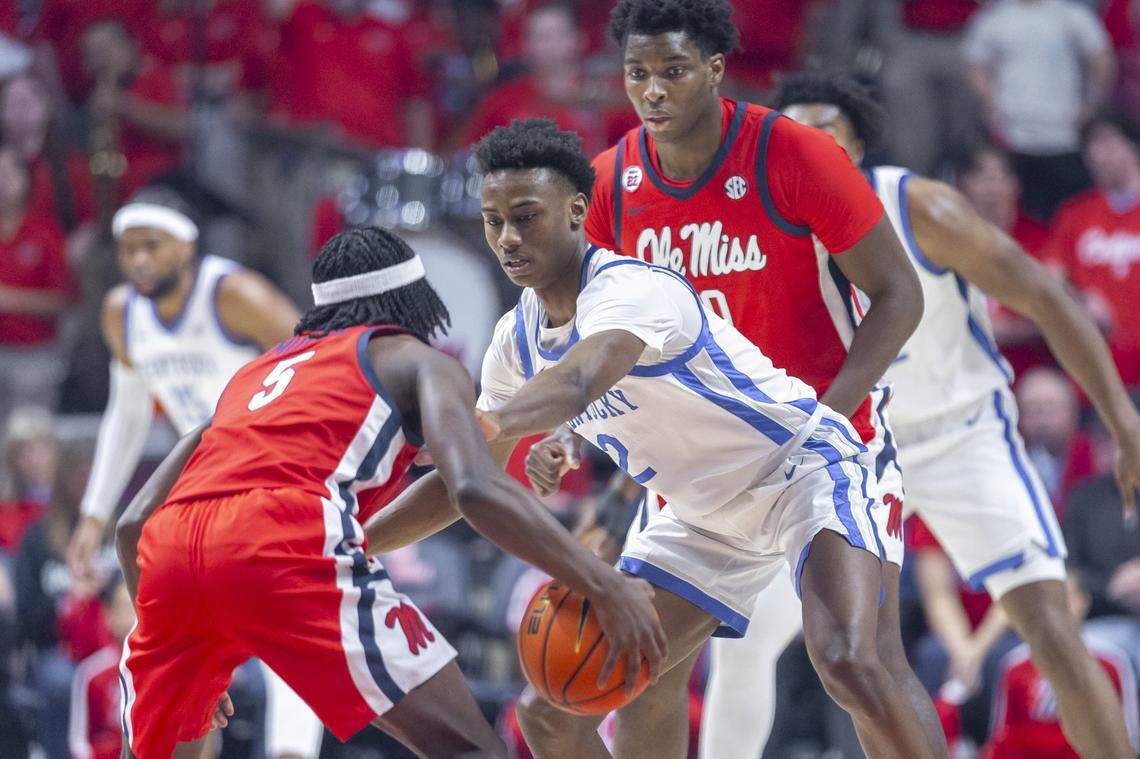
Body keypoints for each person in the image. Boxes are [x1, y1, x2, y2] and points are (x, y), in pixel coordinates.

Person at [368, 118, 938, 758]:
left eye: (526, 216)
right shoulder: (513, 343)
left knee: (850, 662)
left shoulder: (633, 288)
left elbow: (582, 379)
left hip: (801, 466)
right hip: (700, 516)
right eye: (492, 220)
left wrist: (487, 424)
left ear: (577, 209)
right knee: (550, 713)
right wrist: (351, 544)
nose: (507, 238)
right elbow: (461, 487)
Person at [112, 224, 664, 758]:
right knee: (468, 748)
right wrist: (604, 586)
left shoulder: (254, 376)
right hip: (283, 534)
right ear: (414, 300)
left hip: (169, 553)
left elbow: (134, 523)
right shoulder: (412, 359)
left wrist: (192, 639)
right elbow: (471, 487)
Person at [548, 1, 936, 756]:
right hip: (698, 470)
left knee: (854, 661)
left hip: (823, 445)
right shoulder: (607, 186)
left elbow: (901, 295)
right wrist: (565, 430)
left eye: (672, 71)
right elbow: (583, 340)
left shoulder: (792, 153)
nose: (653, 91)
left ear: (716, 71)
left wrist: (827, 416)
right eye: (637, 74)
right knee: (633, 672)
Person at [725, 71, 1140, 759]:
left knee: (1051, 627)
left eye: (825, 134)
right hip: (847, 449)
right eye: (793, 137)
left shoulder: (918, 207)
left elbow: (1047, 298)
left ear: (855, 147)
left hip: (958, 436)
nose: (808, 149)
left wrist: (1122, 419)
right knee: (821, 652)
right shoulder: (759, 233)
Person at [62, 187, 319, 754]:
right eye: (127, 250)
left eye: (151, 246)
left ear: (186, 245)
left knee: (285, 639)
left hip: (274, 482)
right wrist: (93, 515)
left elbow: (323, 369)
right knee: (181, 653)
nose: (138, 261)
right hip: (199, 492)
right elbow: (125, 416)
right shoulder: (120, 313)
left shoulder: (235, 294)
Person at [964, 0, 1115, 220]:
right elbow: (976, 65)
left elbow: (1102, 58)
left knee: (1070, 212)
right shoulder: (995, 17)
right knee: (1020, 218)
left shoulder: (1070, 14)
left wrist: (1090, 104)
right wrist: (992, 104)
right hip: (1014, 137)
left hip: (1063, 136)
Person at [1045, 107, 1140, 387]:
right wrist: (1080, 301)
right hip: (1096, 366)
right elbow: (1050, 278)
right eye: (1092, 147)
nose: (1100, 155)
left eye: (1109, 142)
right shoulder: (1075, 214)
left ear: (1132, 145)